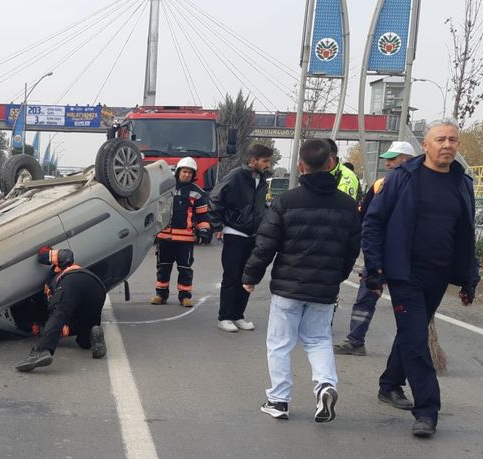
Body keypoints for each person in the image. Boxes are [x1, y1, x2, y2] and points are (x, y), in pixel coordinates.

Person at [361, 120, 480, 438]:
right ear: (425, 145)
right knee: (416, 339)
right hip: (404, 273)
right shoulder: (402, 178)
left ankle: (389, 385)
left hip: (439, 275)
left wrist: (470, 277)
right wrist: (374, 268)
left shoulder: (462, 183)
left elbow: (466, 233)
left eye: (453, 140)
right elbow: (373, 222)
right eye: (440, 139)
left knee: (410, 333)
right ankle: (427, 410)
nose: (447, 145)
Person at [241, 138, 361, 423]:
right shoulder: (347, 206)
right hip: (325, 289)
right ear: (332, 164)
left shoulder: (287, 200)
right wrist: (337, 278)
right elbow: (351, 249)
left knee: (280, 343)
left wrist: (251, 275)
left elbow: (266, 244)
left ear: (300, 166)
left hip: (287, 287)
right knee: (318, 339)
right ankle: (324, 386)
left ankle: (278, 400)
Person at [333, 141, 415, 359]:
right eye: (387, 159)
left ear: (406, 160)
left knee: (409, 307)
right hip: (382, 252)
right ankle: (355, 340)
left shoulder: (417, 184)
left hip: (405, 256)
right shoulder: (381, 184)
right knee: (366, 298)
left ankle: (414, 349)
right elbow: (367, 218)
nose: (387, 163)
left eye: (392, 158)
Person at [209, 143, 273, 332]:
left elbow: (260, 206)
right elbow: (215, 198)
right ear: (253, 160)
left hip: (253, 234)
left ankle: (238, 315)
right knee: (231, 275)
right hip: (235, 232)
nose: (268, 165)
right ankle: (225, 317)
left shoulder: (261, 180)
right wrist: (217, 225)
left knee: (247, 276)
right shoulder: (236, 176)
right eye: (265, 161)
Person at [15, 248, 107, 372]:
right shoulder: (50, 298)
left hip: (73, 280)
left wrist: (46, 251)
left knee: (59, 313)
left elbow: (65, 255)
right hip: (97, 288)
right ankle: (93, 332)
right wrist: (42, 330)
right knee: (84, 339)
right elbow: (61, 329)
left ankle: (42, 351)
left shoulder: (57, 272)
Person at [151, 157, 211, 307]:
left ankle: (185, 296)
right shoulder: (165, 188)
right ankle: (161, 294)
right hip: (164, 236)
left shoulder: (198, 193)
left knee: (185, 268)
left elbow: (203, 215)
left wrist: (204, 230)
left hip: (185, 239)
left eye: (190, 173)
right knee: (163, 266)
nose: (187, 175)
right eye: (184, 172)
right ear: (178, 172)